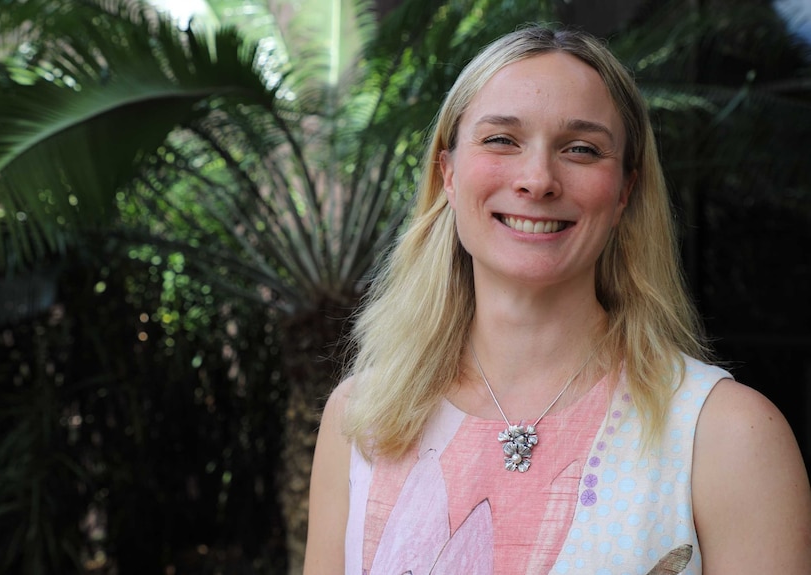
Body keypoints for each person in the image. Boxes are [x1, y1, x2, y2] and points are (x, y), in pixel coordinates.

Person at [304, 25, 811, 575]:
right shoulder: (361, 419)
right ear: (446, 173)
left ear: (624, 192)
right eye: (501, 139)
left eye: (581, 149)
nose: (538, 179)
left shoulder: (726, 436)